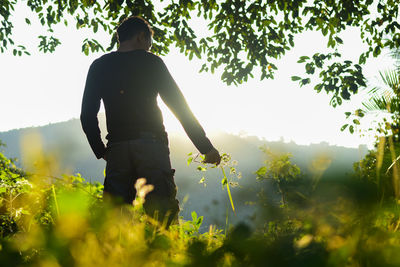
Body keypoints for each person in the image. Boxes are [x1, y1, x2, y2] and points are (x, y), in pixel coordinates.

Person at [80, 16, 221, 225]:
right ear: (140, 37)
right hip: (152, 148)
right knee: (161, 217)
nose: (149, 47)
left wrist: (102, 151)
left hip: (117, 149)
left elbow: (87, 115)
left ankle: (117, 257)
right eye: (149, 42)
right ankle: (163, 256)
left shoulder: (99, 66)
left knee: (115, 220)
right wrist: (206, 147)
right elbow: (180, 107)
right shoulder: (152, 63)